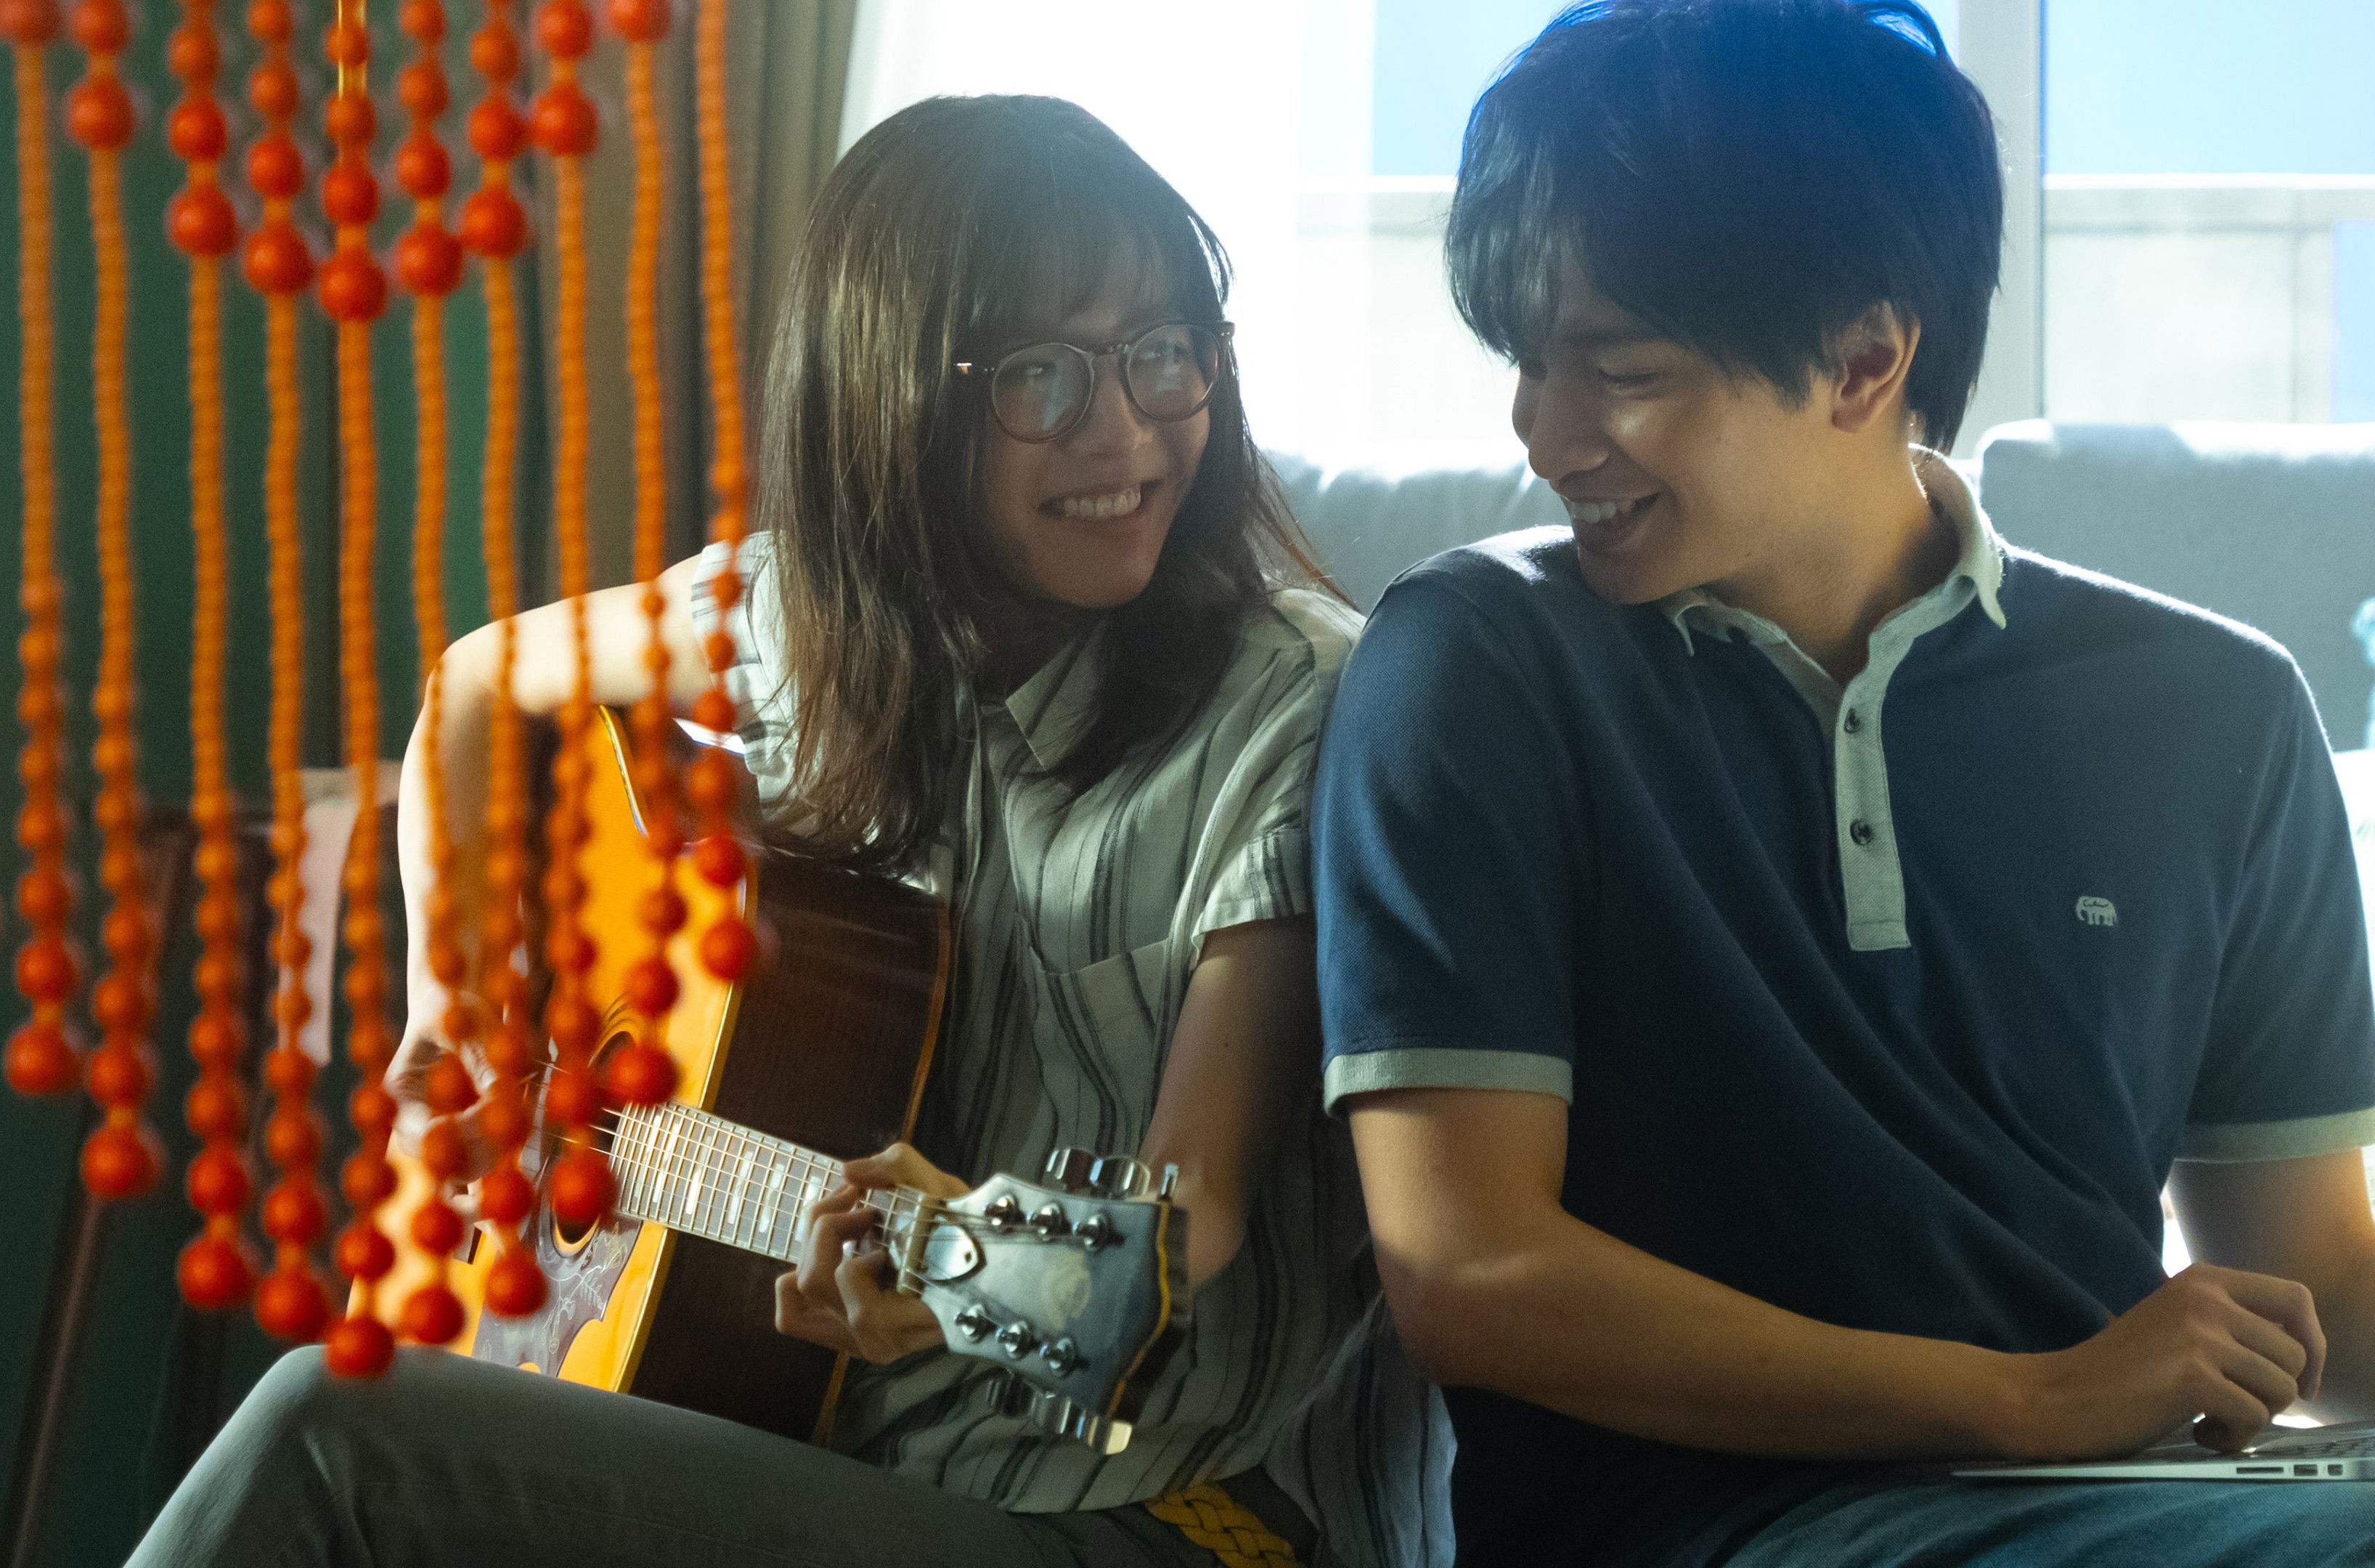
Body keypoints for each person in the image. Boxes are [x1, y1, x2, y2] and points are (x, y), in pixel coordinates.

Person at [1308, 4, 2375, 1566]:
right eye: (1528, 363)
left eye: (1620, 373)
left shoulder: (2213, 710)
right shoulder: (1476, 666)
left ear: (1864, 359)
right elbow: (1468, 1273)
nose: (1543, 436)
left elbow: (2327, 1291)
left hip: (2132, 1499)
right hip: (1715, 1522)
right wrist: (2032, 1400)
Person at [131, 95, 1443, 1568]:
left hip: (1143, 1516)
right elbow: (482, 684)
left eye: (1165, 350)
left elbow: (1185, 1233)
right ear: (891, 399)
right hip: (807, 1452)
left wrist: (955, 1273)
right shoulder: (785, 624)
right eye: (1041, 373)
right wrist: (462, 1012)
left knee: (332, 1434)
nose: (1129, 429)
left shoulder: (1298, 710)